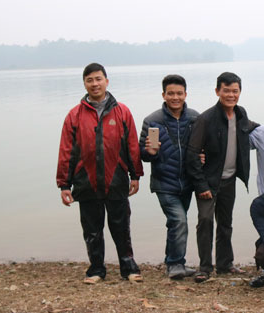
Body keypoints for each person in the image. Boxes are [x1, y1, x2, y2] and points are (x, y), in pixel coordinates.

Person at [56, 63, 144, 284]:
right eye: (90, 80)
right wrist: (64, 184)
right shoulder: (74, 115)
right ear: (84, 84)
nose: (94, 84)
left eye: (98, 79)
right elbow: (66, 151)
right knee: (92, 230)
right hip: (86, 181)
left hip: (117, 179)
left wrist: (135, 175)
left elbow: (132, 145)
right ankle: (96, 269)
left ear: (106, 81)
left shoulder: (122, 111)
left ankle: (129, 267)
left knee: (121, 227)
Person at [186, 72, 258, 282]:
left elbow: (251, 127)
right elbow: (192, 154)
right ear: (217, 91)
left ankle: (225, 264)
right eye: (226, 90)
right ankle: (205, 267)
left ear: (240, 92)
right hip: (208, 182)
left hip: (230, 180)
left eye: (235, 91)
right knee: (205, 221)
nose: (231, 95)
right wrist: (201, 185)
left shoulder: (241, 114)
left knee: (226, 223)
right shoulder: (206, 119)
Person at [139, 74, 199, 280]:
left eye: (179, 93)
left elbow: (203, 146)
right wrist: (150, 152)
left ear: (185, 94)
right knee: (179, 221)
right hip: (164, 182)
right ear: (163, 95)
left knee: (175, 223)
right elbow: (142, 154)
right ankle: (175, 264)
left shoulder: (195, 118)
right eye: (171, 93)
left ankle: (172, 261)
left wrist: (203, 156)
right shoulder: (152, 120)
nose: (175, 97)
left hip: (188, 182)